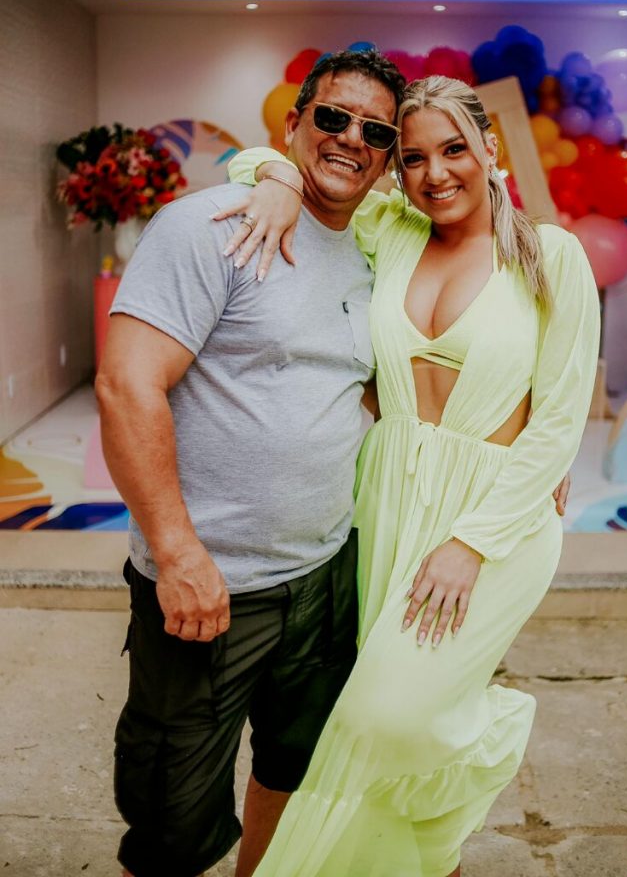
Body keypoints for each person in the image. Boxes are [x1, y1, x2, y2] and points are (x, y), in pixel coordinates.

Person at [218, 72, 600, 876]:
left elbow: (560, 420)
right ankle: (428, 860)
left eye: (453, 150)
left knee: (385, 718)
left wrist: (470, 543)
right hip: (383, 503)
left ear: (488, 147)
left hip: (489, 520)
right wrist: (280, 181)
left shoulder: (550, 255)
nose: (435, 174)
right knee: (359, 720)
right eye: (414, 158)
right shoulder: (390, 230)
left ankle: (480, 738)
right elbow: (248, 161)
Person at [96, 50, 407, 877]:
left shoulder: (372, 253)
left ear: (387, 157)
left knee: (294, 774)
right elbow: (126, 386)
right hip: (210, 587)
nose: (351, 139)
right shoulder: (212, 226)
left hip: (324, 579)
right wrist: (177, 553)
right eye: (333, 117)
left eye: (375, 131)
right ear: (294, 123)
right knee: (171, 819)